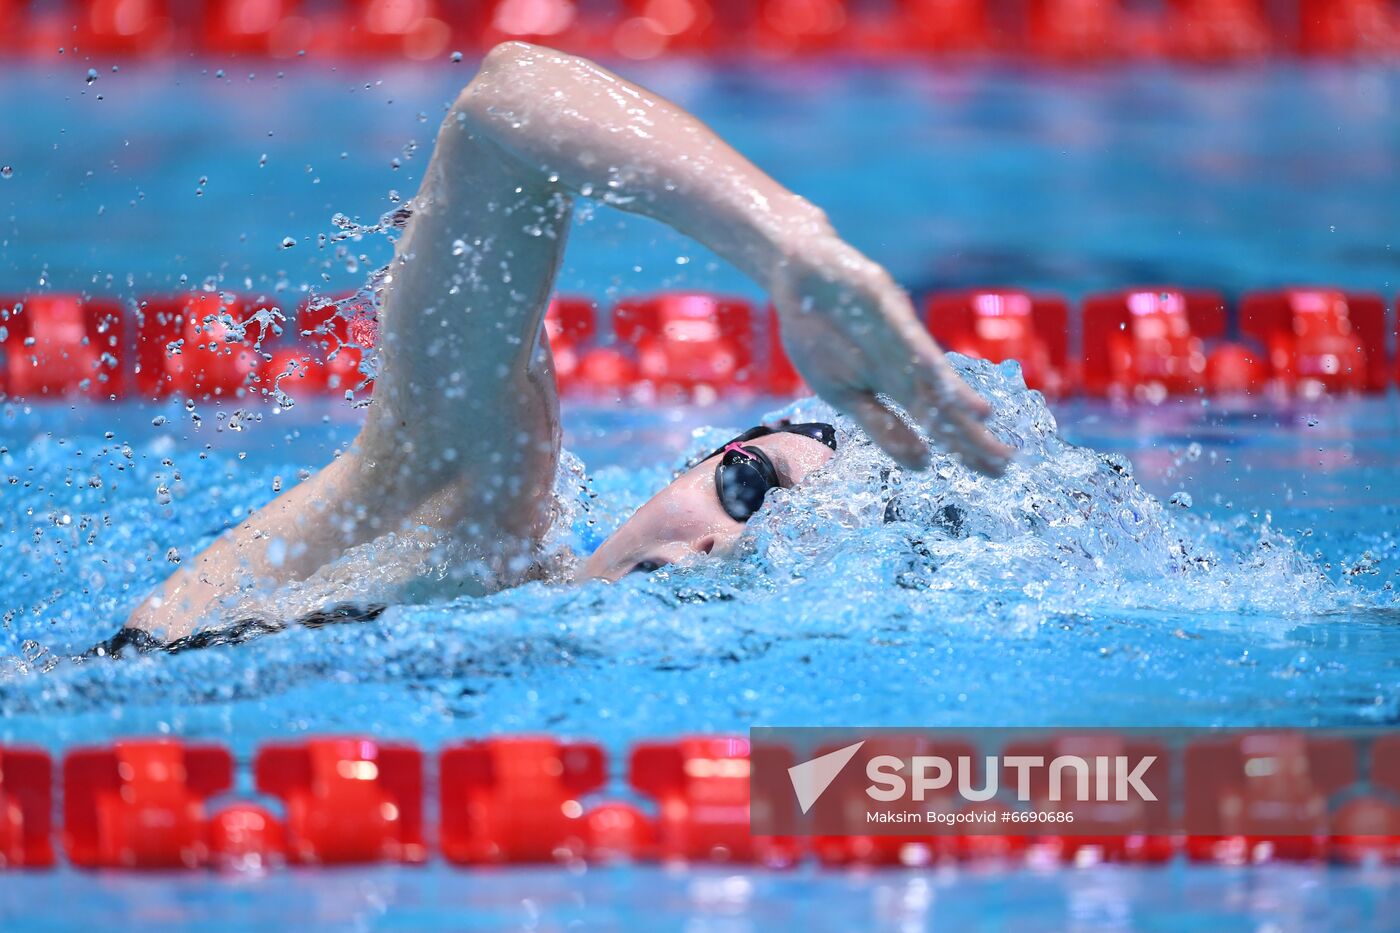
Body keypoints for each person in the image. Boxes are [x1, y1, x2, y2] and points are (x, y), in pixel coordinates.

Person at [108, 42, 1011, 651]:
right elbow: (509, 101)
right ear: (690, 465)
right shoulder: (472, 519)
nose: (723, 548)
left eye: (790, 555)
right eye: (748, 488)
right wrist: (789, 244)